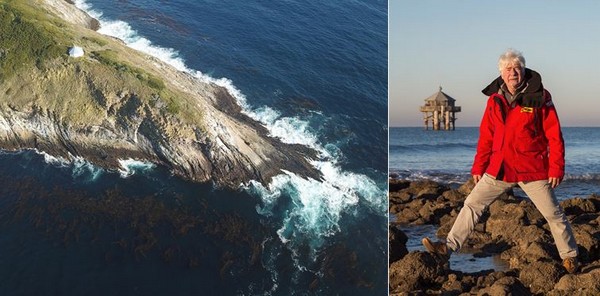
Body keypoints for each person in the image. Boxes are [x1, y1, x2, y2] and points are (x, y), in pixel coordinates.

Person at [422, 49, 579, 274]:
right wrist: (479, 166)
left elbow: (554, 136)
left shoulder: (541, 97)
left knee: (553, 214)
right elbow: (486, 136)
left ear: (524, 71)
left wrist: (556, 167)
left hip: (531, 168)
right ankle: (447, 248)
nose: (513, 72)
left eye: (517, 68)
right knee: (472, 204)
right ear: (501, 73)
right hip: (500, 168)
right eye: (508, 69)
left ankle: (570, 256)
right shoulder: (494, 100)